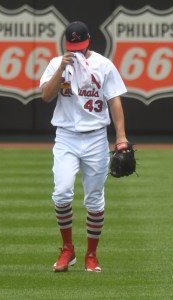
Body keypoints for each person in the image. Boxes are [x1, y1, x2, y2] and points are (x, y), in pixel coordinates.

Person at [39, 21, 129, 272]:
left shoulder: (103, 65)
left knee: (94, 200)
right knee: (62, 193)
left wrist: (121, 137)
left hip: (95, 137)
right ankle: (68, 249)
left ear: (88, 40)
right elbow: (46, 95)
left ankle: (92, 254)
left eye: (80, 45)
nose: (77, 50)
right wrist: (61, 70)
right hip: (66, 136)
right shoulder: (57, 64)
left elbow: (115, 101)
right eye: (72, 46)